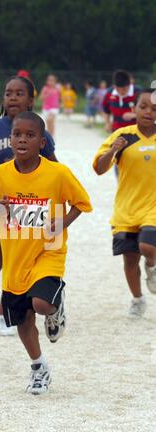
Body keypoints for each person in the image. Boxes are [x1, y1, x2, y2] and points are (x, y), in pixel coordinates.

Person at [0, 111, 92, 394]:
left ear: (42, 142)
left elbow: (81, 202)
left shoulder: (58, 173)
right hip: (16, 257)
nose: (22, 139)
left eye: (30, 135)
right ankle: (39, 367)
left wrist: (63, 221)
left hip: (48, 252)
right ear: (11, 140)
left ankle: (55, 308)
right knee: (23, 319)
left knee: (41, 304)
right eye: (17, 134)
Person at [0, 75, 57, 337]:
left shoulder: (39, 131)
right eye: (8, 93)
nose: (12, 98)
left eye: (19, 94)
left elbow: (54, 165)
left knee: (14, 260)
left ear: (31, 100)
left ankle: (3, 315)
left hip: (25, 207)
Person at [93, 89, 156, 318]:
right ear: (134, 109)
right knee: (130, 259)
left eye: (154, 108)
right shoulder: (123, 136)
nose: (148, 112)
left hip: (153, 208)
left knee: (148, 246)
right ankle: (138, 299)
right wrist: (113, 150)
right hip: (127, 209)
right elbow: (99, 169)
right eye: (143, 106)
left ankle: (151, 264)